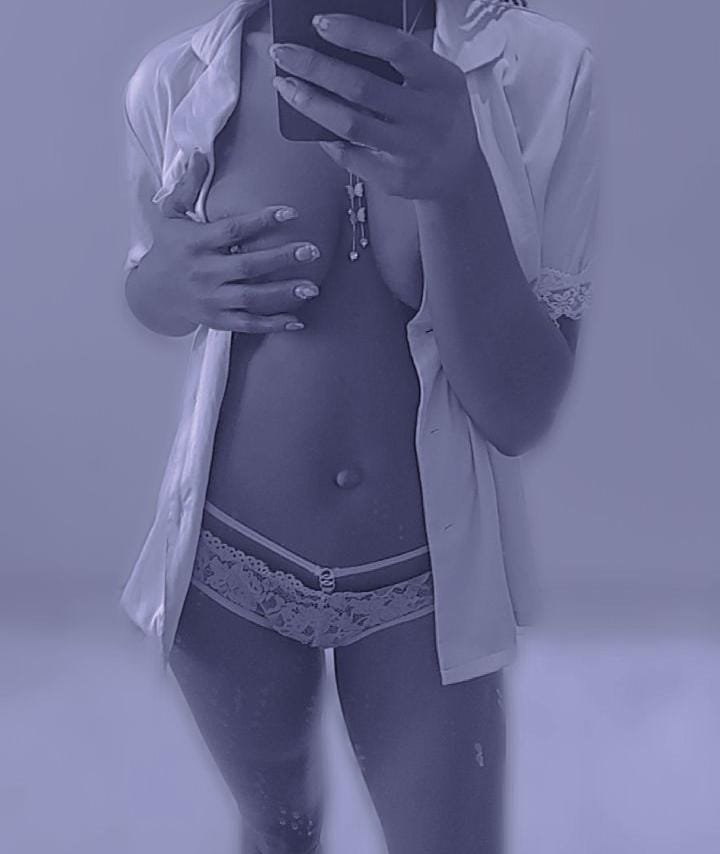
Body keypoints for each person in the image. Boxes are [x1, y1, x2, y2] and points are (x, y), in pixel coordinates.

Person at [119, 0, 599, 850]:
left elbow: (517, 411)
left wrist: (457, 180)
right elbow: (151, 283)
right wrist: (162, 283)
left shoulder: (540, 73)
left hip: (422, 589)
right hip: (227, 571)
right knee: (281, 833)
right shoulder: (180, 77)